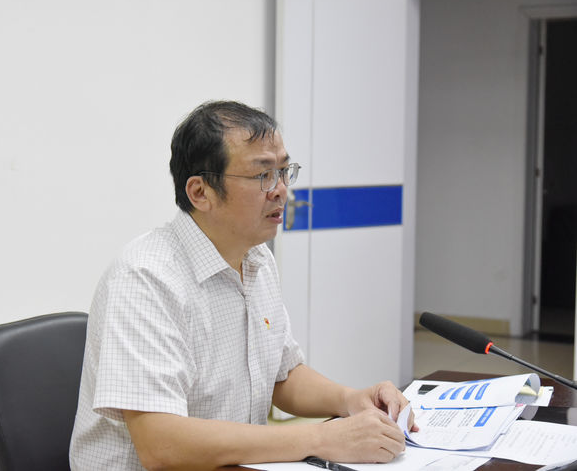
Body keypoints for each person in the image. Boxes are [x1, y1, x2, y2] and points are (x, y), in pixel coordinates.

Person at [69, 101, 416, 470]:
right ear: (200, 192)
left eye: (284, 172)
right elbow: (161, 446)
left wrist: (351, 400)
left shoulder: (256, 258)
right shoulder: (146, 278)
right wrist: (322, 439)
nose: (281, 191)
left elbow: (282, 375)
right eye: (263, 175)